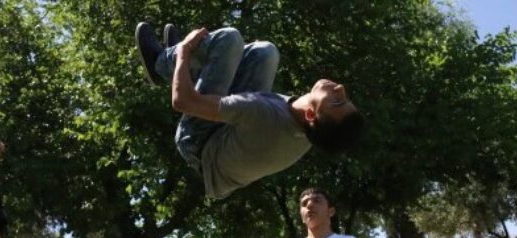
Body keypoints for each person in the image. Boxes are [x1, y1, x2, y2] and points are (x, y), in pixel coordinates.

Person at [135, 23, 364, 199]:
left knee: (229, 39)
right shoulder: (310, 131)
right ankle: (187, 67)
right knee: (265, 53)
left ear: (311, 115)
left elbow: (183, 101)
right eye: (346, 99)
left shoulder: (262, 114)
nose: (340, 89)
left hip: (198, 142)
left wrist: (184, 51)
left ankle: (161, 63)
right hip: (231, 135)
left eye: (337, 102)